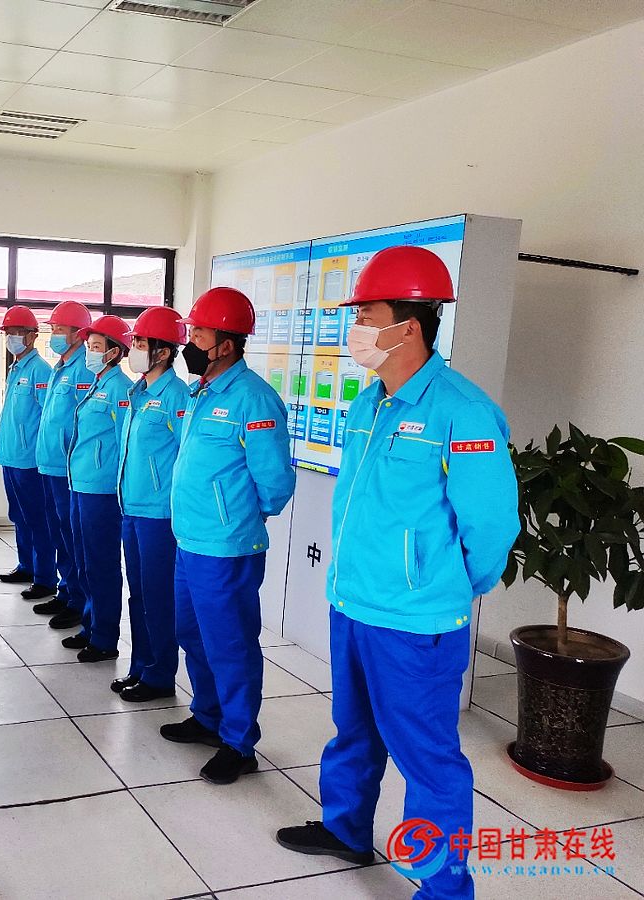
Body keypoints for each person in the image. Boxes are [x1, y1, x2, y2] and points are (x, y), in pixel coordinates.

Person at [276, 247, 519, 899]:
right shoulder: (369, 403)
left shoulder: (462, 411)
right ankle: (346, 827)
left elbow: (492, 526)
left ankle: (444, 888)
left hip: (415, 621)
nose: (355, 327)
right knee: (354, 733)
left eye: (366, 315)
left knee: (428, 759)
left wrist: (446, 585)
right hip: (354, 604)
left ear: (408, 326)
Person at [163, 286, 295, 785]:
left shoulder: (253, 398)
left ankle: (239, 742)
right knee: (191, 632)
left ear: (227, 343)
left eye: (198, 334)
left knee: (230, 644)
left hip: (226, 546)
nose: (189, 343)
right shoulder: (202, 391)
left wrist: (237, 517)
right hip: (189, 539)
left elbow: (275, 483)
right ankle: (208, 716)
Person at [113, 307, 189, 702]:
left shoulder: (177, 396)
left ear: (163, 352)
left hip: (159, 514)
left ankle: (160, 674)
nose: (135, 349)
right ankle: (140, 666)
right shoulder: (138, 392)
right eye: (135, 342)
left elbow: (186, 456)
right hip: (132, 507)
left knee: (158, 596)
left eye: (141, 343)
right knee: (139, 593)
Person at [63, 315, 134, 662]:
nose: (89, 352)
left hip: (102, 490)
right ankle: (89, 626)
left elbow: (125, 443)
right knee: (84, 560)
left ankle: (105, 637)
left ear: (114, 352)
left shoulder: (120, 388)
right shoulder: (98, 382)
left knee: (101, 563)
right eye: (89, 346)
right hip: (80, 484)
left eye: (95, 347)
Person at [32, 301, 94, 631]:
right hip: (50, 464)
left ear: (78, 334)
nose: (54, 335)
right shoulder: (61, 366)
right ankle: (66, 589)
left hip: (67, 467)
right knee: (58, 532)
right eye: (53, 328)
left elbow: (84, 422)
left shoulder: (84, 369)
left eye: (59, 329)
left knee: (71, 537)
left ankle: (78, 600)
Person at [0, 306, 58, 602]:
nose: (12, 338)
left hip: (31, 461)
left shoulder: (40, 370)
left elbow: (48, 417)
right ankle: (27, 566)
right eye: (8, 333)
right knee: (19, 515)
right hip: (11, 457)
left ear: (32, 336)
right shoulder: (16, 368)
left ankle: (45, 577)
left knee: (37, 518)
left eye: (18, 332)